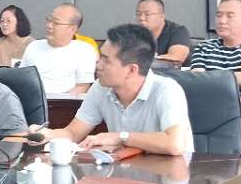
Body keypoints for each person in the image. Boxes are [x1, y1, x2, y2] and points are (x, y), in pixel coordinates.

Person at [37, 24, 193, 156]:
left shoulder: (167, 90)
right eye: (100, 57)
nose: (98, 64)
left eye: (106, 60)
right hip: (127, 171)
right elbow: (73, 133)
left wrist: (121, 137)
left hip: (171, 173)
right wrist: (45, 134)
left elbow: (175, 144)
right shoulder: (100, 88)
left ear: (131, 70)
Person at [184, 0, 241, 88]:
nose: (222, 21)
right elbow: (197, 80)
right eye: (219, 15)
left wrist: (207, 76)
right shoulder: (204, 47)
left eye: (230, 16)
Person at [20, 3, 97, 95]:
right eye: (49, 20)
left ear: (72, 29)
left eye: (55, 23)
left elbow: (82, 86)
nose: (49, 25)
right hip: (31, 99)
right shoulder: (33, 46)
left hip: (64, 102)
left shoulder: (84, 50)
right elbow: (21, 79)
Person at [134, 0, 191, 65]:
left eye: (147, 14)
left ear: (162, 16)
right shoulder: (133, 34)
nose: (141, 18)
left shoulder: (178, 31)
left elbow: (176, 58)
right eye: (138, 14)